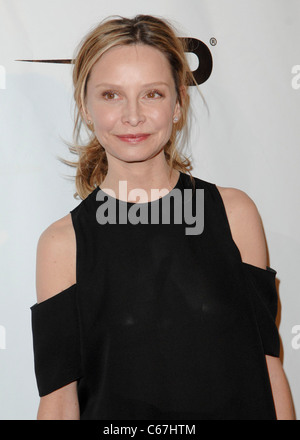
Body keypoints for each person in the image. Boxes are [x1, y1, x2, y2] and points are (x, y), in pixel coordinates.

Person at [31, 14, 295, 420]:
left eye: (152, 94)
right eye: (111, 95)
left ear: (178, 104)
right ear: (86, 108)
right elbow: (59, 401)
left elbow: (268, 367)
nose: (132, 115)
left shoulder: (234, 214)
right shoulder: (63, 243)